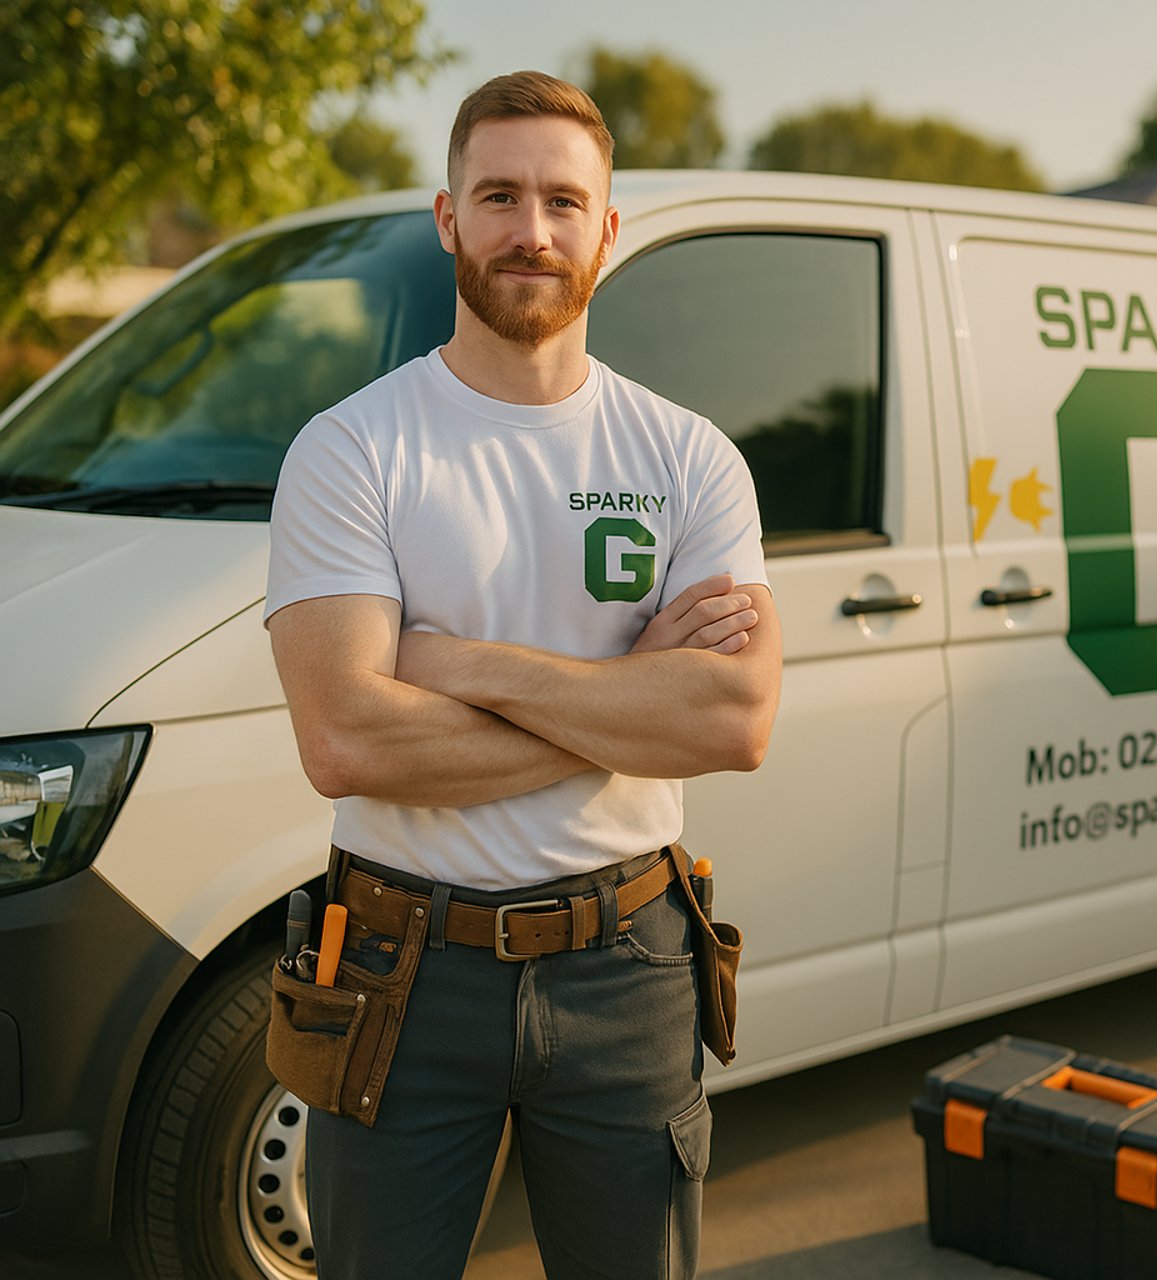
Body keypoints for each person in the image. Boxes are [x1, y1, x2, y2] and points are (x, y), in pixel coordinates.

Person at [263, 69, 780, 1279]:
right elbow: (346, 740)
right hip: (398, 972)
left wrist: (460, 665)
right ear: (449, 216)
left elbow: (738, 716)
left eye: (562, 200)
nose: (531, 231)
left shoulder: (689, 456)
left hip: (632, 961)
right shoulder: (352, 450)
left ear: (607, 229)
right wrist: (630, 693)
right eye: (499, 194)